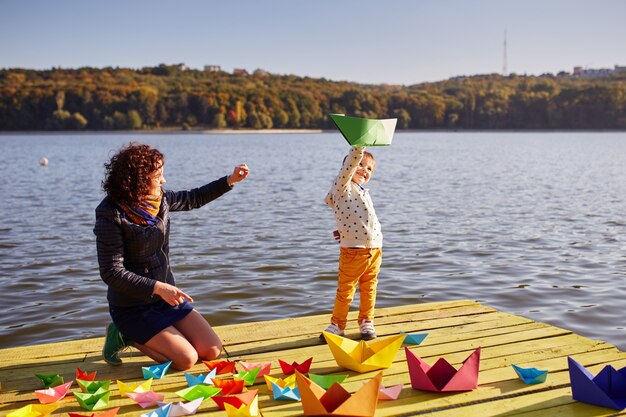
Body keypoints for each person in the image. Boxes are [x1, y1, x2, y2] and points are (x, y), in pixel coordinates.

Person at [94, 142, 249, 370]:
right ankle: (125, 334)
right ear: (136, 179)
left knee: (211, 351)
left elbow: (194, 198)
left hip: (166, 298)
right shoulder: (110, 214)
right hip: (132, 305)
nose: (163, 181)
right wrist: (157, 287)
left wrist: (229, 180)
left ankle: (155, 334)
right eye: (157, 176)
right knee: (186, 360)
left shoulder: (160, 199)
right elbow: (111, 272)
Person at [321, 145, 382, 341]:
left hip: (375, 249)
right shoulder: (343, 185)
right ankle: (337, 324)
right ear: (348, 167)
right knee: (346, 289)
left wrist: (342, 229)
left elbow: (356, 216)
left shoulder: (362, 192)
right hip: (353, 252)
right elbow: (350, 165)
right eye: (360, 164)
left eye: (370, 169)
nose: (365, 170)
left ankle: (366, 322)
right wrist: (359, 146)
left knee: (369, 288)